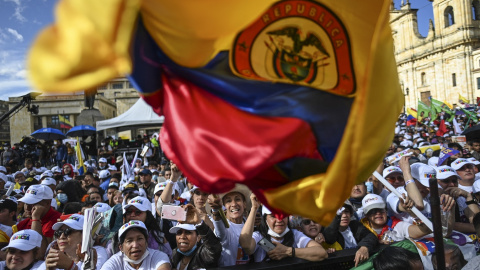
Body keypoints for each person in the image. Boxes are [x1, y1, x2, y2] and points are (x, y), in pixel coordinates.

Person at [240, 194, 327, 263]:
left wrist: (288, 251)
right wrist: (254, 208)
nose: (279, 220)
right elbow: (246, 245)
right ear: (265, 219)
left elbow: (322, 253)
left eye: (283, 216)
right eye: (273, 216)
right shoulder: (259, 236)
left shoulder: (295, 234)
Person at [43, 214, 108, 270]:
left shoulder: (98, 251)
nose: (61, 236)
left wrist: (71, 266)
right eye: (59, 232)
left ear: (84, 235)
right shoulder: (55, 257)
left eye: (68, 231)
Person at [323, 201, 377, 267]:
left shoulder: (355, 225)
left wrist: (364, 248)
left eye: (346, 211)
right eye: (339, 213)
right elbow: (329, 236)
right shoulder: (326, 231)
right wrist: (336, 218)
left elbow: (371, 236)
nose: (344, 215)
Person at [101, 220, 171, 270]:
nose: (135, 245)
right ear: (121, 247)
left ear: (146, 241)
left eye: (139, 239)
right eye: (129, 240)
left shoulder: (159, 257)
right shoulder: (115, 262)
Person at [169, 205, 221, 269]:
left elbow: (214, 247)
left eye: (188, 232)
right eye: (179, 233)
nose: (182, 236)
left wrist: (199, 223)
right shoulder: (175, 253)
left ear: (198, 237)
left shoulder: (203, 255)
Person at [17, 185, 61, 255]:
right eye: (26, 203)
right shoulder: (22, 224)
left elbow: (40, 253)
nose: (27, 208)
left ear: (47, 203)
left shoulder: (58, 222)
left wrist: (36, 219)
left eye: (32, 203)